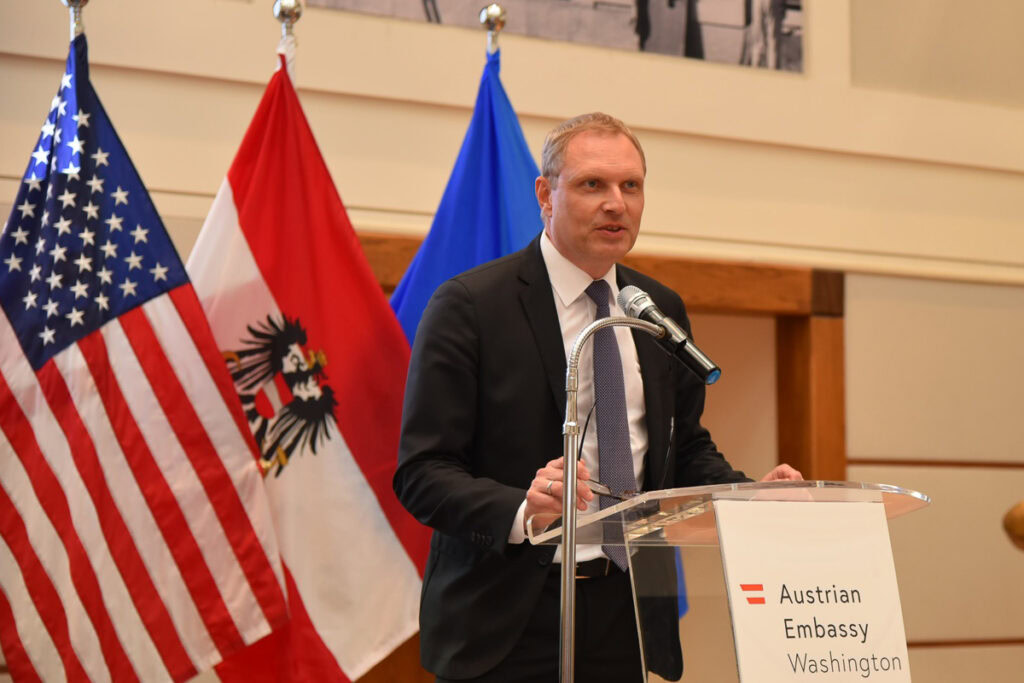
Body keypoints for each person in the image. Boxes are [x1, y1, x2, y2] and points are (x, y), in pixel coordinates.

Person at [394, 112, 802, 682]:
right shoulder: (471, 308)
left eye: (630, 186)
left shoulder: (656, 309)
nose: (616, 203)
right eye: (593, 184)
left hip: (628, 609)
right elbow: (423, 472)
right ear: (546, 194)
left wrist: (745, 496)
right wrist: (521, 507)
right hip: (506, 617)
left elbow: (681, 449)